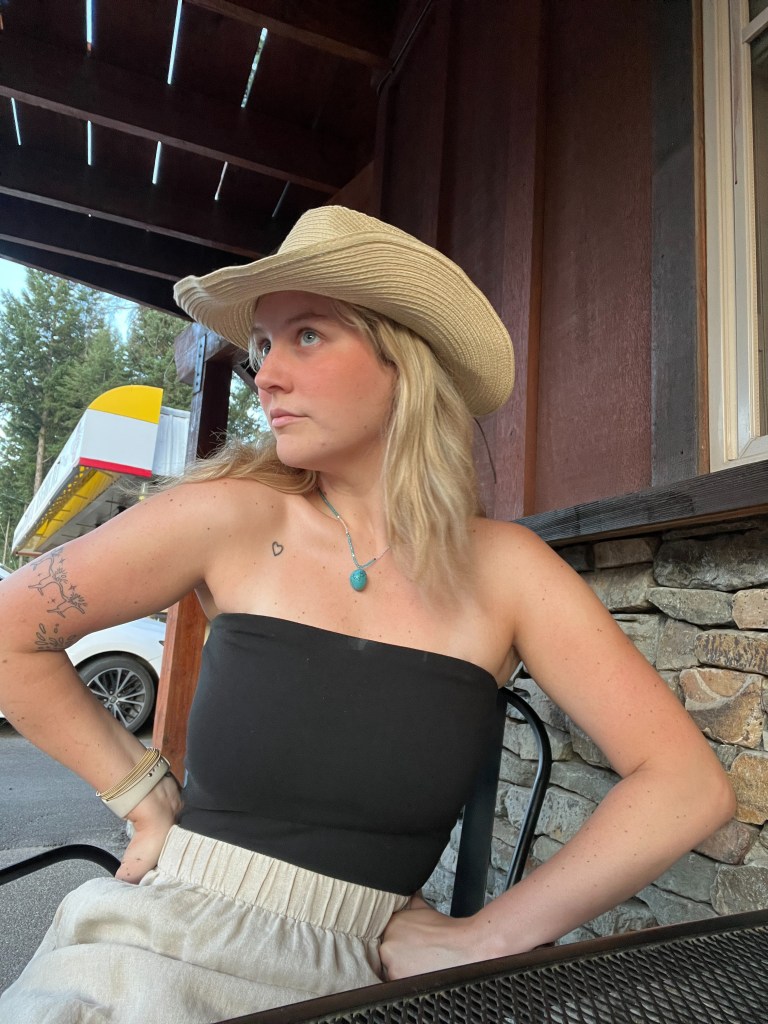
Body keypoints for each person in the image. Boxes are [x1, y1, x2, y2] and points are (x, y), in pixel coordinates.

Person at [0, 207, 734, 1023]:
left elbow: (685, 784)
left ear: (403, 362)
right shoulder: (229, 515)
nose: (267, 375)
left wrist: (488, 937)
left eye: (308, 335)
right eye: (264, 347)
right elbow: (9, 635)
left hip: (373, 980)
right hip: (161, 952)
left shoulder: (509, 571)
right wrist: (141, 794)